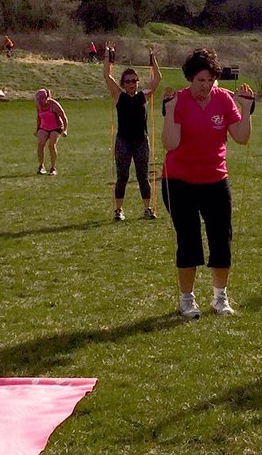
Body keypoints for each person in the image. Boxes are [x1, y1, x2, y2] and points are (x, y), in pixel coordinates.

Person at [161, 48, 254, 319]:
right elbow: (170, 143)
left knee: (221, 239)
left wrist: (246, 110)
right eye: (201, 80)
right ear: (190, 78)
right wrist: (168, 113)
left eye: (211, 80)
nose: (206, 85)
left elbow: (241, 137)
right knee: (189, 240)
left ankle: (219, 298)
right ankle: (187, 300)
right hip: (179, 181)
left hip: (215, 179)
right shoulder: (177, 101)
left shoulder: (224, 99)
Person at [105, 46, 162, 220]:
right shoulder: (118, 96)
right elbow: (107, 75)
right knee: (122, 176)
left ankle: (147, 209)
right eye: (128, 81)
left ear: (138, 82)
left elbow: (158, 78)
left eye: (134, 80)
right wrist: (109, 55)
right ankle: (119, 210)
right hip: (123, 141)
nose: (131, 84)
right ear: (123, 83)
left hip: (140, 142)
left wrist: (152, 59)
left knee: (142, 176)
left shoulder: (143, 96)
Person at [34, 88, 68, 176]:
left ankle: (53, 168)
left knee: (51, 145)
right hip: (44, 126)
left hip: (56, 127)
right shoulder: (38, 105)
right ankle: (41, 167)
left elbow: (63, 117)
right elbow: (39, 117)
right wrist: (37, 129)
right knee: (40, 144)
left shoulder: (54, 105)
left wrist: (65, 130)